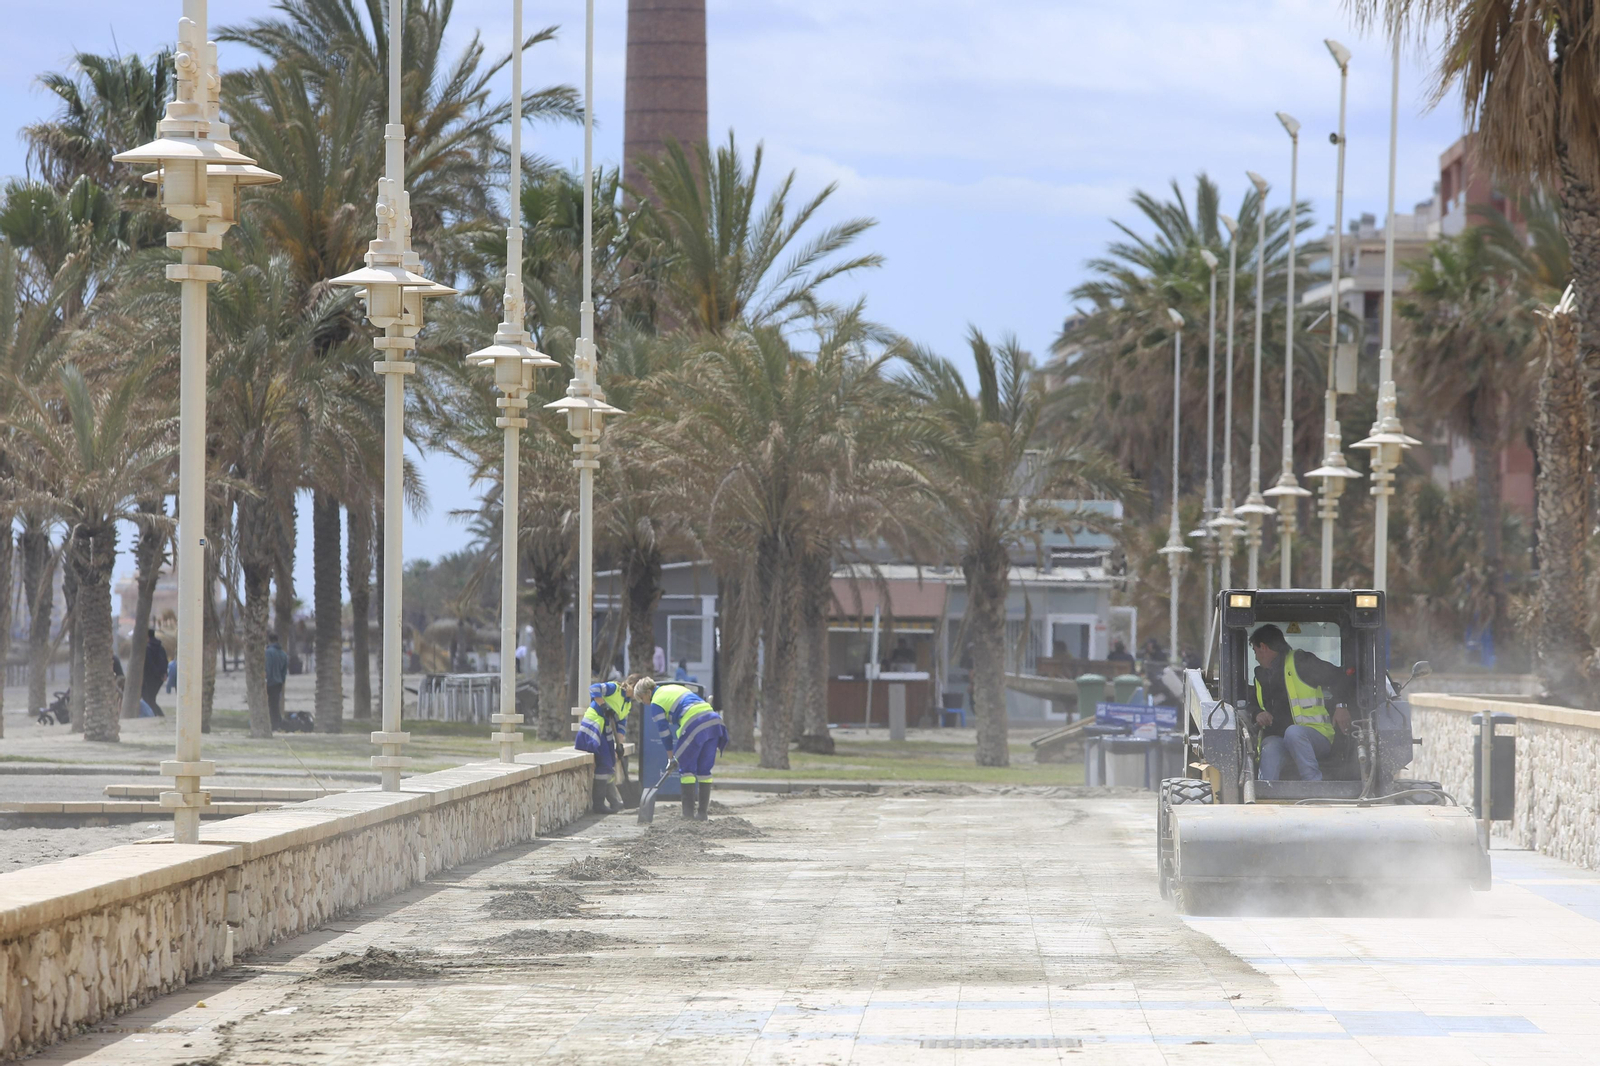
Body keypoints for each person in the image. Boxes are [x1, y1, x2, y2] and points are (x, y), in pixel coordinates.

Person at [1246, 624, 1354, 782]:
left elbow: (1339, 677)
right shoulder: (1260, 677)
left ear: (1263, 647)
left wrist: (1341, 706)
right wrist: (1258, 714)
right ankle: (1266, 792)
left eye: (1255, 651)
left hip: (1317, 738)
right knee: (1269, 745)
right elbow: (1252, 704)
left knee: (1293, 732)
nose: (1255, 656)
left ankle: (1313, 785)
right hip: (1284, 741)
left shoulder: (1301, 663)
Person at [634, 677, 728, 821]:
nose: (644, 703)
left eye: (642, 699)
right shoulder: (674, 688)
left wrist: (671, 757)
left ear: (648, 692)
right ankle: (702, 814)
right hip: (714, 721)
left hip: (695, 723)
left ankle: (687, 815)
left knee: (686, 769)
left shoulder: (656, 702)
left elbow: (665, 734)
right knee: (704, 770)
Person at [577, 676, 637, 813]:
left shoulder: (627, 704)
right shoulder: (614, 688)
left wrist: (620, 745)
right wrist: (603, 705)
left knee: (610, 761)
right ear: (631, 684)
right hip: (593, 727)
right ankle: (598, 804)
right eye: (637, 689)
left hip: (606, 731)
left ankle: (613, 801)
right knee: (604, 761)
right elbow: (594, 688)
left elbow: (621, 725)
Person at [265, 633, 289, 731]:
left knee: (270, 704)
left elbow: (268, 668)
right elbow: (284, 671)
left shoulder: (268, 652)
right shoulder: (283, 654)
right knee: (275, 704)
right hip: (278, 683)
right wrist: (282, 681)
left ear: (269, 640)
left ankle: (273, 724)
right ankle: (277, 724)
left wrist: (265, 680)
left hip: (270, 682)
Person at [141, 630, 168, 718]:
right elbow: (165, 661)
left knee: (148, 698)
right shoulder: (161, 647)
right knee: (151, 698)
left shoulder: (147, 648)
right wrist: (163, 674)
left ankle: (156, 714)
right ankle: (157, 714)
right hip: (159, 678)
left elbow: (149, 664)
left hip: (150, 678)